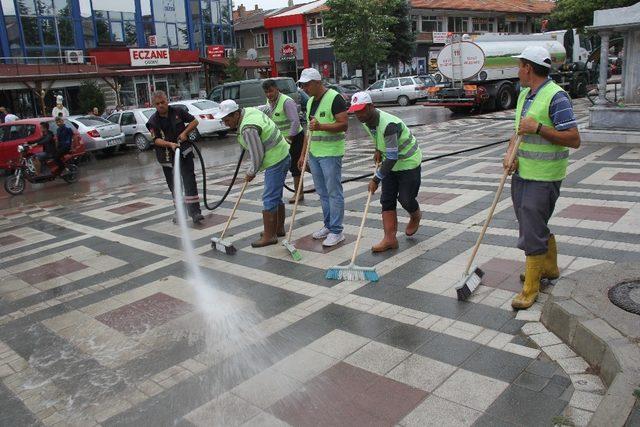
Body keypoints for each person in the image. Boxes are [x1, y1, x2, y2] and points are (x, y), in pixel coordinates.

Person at [504, 46, 581, 310]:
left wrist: (538, 127)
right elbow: (518, 132)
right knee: (529, 224)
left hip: (545, 176)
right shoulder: (525, 95)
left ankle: (530, 289)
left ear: (528, 68)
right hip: (523, 172)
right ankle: (548, 268)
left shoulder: (556, 97)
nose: (518, 71)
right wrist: (510, 153)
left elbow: (574, 138)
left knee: (532, 228)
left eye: (520, 66)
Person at [348, 91, 423, 252]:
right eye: (355, 111)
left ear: (371, 107)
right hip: (391, 163)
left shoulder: (389, 124)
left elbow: (392, 157)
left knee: (406, 199)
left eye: (361, 110)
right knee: (387, 199)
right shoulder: (367, 120)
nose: (358, 114)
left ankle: (415, 215)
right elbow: (378, 137)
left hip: (408, 162)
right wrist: (377, 149)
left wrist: (376, 179)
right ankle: (390, 239)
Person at [216, 100, 291, 247]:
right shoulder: (250, 110)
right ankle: (277, 228)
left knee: (269, 197)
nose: (226, 123)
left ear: (236, 114)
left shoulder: (248, 128)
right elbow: (268, 109)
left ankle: (270, 236)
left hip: (275, 159)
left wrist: (251, 172)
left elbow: (258, 155)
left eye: (227, 120)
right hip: (282, 153)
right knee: (275, 195)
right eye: (223, 121)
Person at [297, 68, 348, 247]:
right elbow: (309, 130)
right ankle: (328, 225)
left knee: (334, 192)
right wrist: (303, 154)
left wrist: (322, 127)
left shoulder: (335, 98)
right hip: (315, 153)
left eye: (307, 84)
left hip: (331, 152)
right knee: (322, 192)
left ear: (318, 82)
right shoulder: (310, 101)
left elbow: (344, 124)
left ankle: (337, 231)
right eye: (302, 85)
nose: (304, 88)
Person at [145, 90, 204, 224]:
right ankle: (180, 212)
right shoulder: (153, 121)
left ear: (167, 101)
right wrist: (170, 144)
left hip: (184, 153)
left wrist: (185, 133)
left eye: (163, 102)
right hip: (167, 158)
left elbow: (194, 122)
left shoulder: (178, 111)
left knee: (189, 182)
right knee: (175, 185)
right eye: (158, 103)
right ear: (154, 105)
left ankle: (195, 212)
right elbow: (156, 140)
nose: (161, 105)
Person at [262, 79, 305, 204]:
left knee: (295, 166)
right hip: (281, 140)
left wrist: (290, 138)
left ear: (277, 89)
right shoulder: (269, 102)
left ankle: (299, 193)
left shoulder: (286, 102)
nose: (269, 94)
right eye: (266, 92)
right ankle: (311, 168)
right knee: (293, 164)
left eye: (271, 91)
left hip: (295, 137)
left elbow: (295, 122)